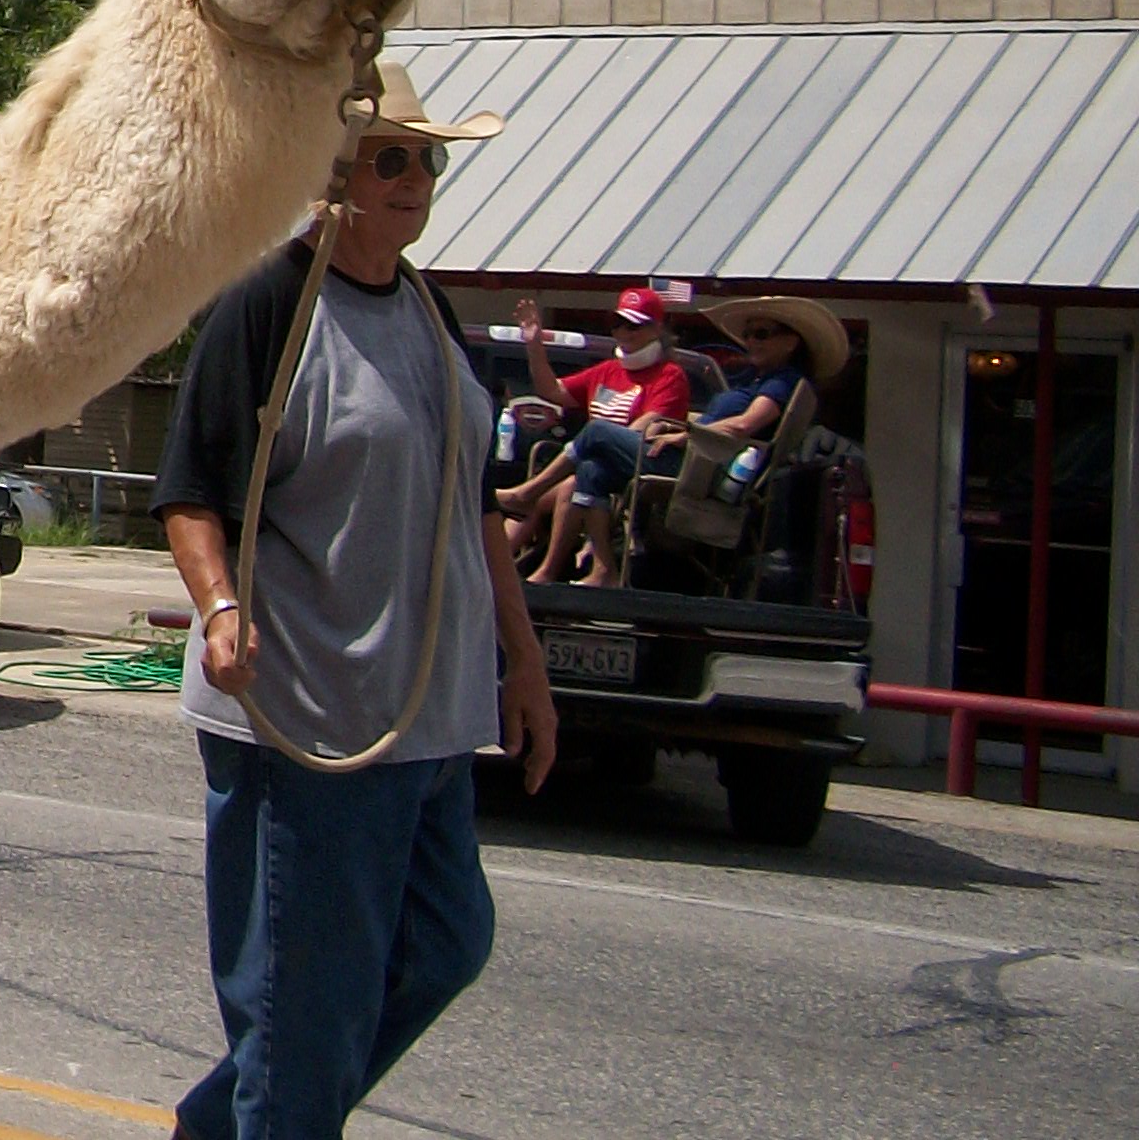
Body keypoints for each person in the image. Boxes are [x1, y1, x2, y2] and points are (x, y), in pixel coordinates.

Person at [152, 63, 555, 1140]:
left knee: (443, 945)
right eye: (390, 160)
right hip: (308, 714)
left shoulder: (430, 308)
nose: (415, 178)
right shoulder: (268, 303)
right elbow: (191, 492)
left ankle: (223, 1122)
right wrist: (221, 609)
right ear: (329, 175)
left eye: (427, 160)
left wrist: (523, 661)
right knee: (305, 1009)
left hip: (429, 715)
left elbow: (476, 507)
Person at [503, 287, 696, 587]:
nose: (623, 332)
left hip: (639, 462)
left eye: (633, 325)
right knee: (582, 474)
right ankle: (491, 569)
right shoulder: (607, 370)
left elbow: (647, 427)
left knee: (592, 442)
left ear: (657, 328)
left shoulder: (669, 375)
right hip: (595, 466)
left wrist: (603, 441)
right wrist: (534, 344)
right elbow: (551, 390)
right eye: (618, 323)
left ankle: (535, 526)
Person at [670, 296, 843, 498]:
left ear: (790, 343)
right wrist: (671, 426)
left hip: (700, 468)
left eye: (761, 334)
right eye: (747, 335)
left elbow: (744, 425)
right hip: (691, 457)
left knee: (633, 443)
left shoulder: (783, 381)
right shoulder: (756, 380)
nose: (750, 341)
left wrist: (688, 436)